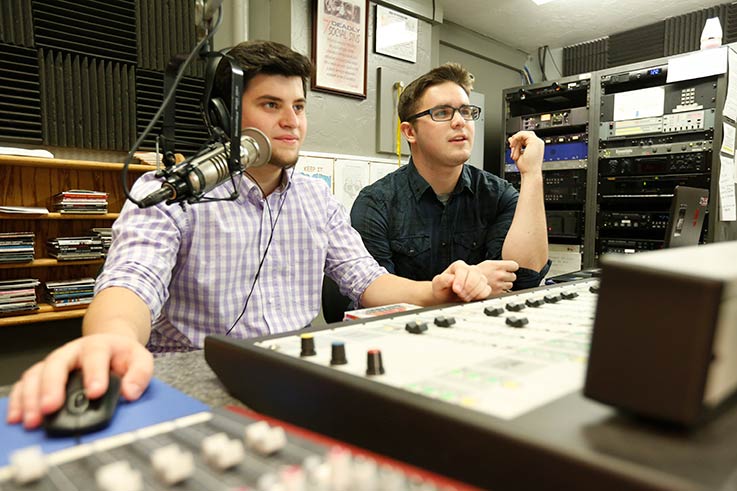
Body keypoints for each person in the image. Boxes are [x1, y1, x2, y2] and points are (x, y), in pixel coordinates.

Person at [7, 42, 491, 430]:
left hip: (295, 383)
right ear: (223, 116)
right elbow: (132, 282)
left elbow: (365, 280)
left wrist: (434, 290)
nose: (291, 122)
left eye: (299, 106)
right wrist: (111, 340)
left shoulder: (315, 199)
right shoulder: (168, 192)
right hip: (195, 384)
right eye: (270, 105)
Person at [351, 63, 550, 295]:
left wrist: (532, 174)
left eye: (466, 112)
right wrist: (467, 285)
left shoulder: (498, 195)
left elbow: (525, 277)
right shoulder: (376, 203)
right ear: (410, 132)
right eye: (442, 113)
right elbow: (373, 295)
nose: (460, 121)